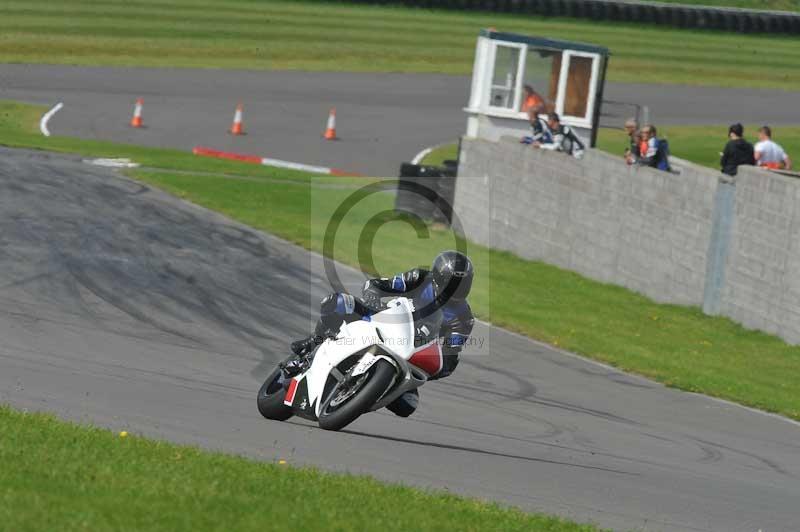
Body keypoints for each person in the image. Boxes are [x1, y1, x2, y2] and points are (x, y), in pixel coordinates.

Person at [289, 251, 475, 418]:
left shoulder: (464, 318)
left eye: (462, 284)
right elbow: (380, 285)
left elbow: (451, 352)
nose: (456, 289)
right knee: (337, 302)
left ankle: (366, 394)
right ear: (438, 277)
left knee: (408, 405)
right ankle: (313, 343)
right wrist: (373, 296)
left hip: (411, 349)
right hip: (385, 319)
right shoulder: (419, 278)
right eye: (452, 283)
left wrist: (437, 365)